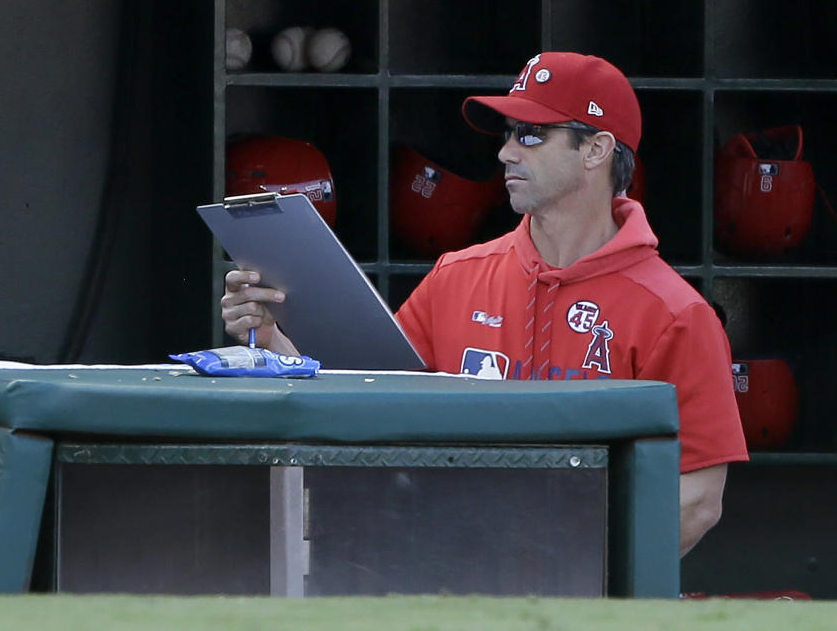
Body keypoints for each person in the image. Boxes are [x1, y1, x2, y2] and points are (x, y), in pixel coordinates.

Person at [220, 51, 749, 557]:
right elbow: (365, 402)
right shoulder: (456, 276)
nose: (507, 152)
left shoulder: (677, 313)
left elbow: (697, 501)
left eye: (532, 135)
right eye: (508, 134)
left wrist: (571, 580)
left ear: (596, 149)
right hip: (447, 583)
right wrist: (275, 339)